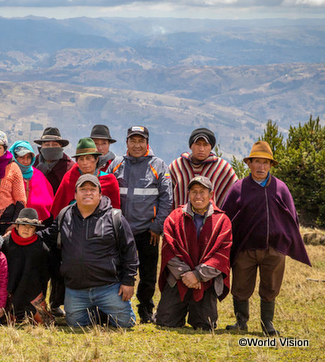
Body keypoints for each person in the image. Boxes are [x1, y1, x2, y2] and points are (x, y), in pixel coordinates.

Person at [222, 141, 311, 336]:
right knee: (241, 286)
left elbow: (292, 217)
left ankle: (267, 324)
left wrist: (285, 243)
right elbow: (226, 218)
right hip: (245, 248)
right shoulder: (238, 188)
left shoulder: (281, 188)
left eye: (265, 162)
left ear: (271, 165)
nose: (261, 166)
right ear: (249, 164)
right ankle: (241, 322)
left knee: (271, 287)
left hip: (274, 249)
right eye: (257, 162)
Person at [40, 174, 138, 328]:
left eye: (92, 189)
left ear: (100, 194)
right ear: (75, 194)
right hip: (76, 289)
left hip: (108, 287)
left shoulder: (115, 217)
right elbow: (46, 236)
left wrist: (128, 282)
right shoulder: (65, 216)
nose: (88, 193)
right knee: (75, 324)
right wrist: (19, 235)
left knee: (127, 324)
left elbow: (130, 252)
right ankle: (98, 312)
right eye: (83, 189)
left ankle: (103, 310)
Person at [108, 126, 173, 323]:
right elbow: (107, 194)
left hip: (148, 232)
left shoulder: (159, 165)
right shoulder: (116, 164)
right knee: (118, 270)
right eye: (133, 141)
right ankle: (116, 307)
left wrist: (157, 227)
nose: (137, 145)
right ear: (126, 142)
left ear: (147, 143)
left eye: (141, 141)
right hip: (120, 231)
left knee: (148, 274)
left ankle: (145, 309)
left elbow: (167, 199)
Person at [155, 176, 232, 330]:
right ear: (188, 194)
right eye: (194, 192)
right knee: (165, 322)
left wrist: (197, 275)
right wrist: (186, 275)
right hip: (179, 278)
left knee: (205, 325)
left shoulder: (222, 220)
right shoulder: (175, 218)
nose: (198, 196)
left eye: (202, 192)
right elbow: (169, 251)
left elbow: (220, 257)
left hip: (205, 281)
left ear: (211, 195)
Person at [51, 137, 120, 217]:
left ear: (96, 159)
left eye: (88, 158)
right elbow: (58, 207)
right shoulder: (70, 178)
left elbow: (115, 209)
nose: (85, 163)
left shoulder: (109, 180)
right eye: (81, 159)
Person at [169, 128, 238, 208]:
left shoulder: (222, 168)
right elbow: (165, 195)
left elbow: (236, 195)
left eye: (205, 145)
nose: (201, 149)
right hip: (180, 219)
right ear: (191, 146)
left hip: (212, 219)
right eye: (198, 144)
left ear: (211, 147)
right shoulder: (177, 166)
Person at [9, 140, 55, 226]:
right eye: (22, 157)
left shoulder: (38, 175)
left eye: (28, 157)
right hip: (12, 224)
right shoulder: (8, 175)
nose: (25, 161)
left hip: (37, 224)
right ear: (14, 157)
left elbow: (48, 200)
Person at [33, 127, 75, 193]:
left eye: (54, 145)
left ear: (60, 146)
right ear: (42, 147)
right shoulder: (33, 163)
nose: (51, 147)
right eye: (47, 145)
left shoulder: (69, 167)